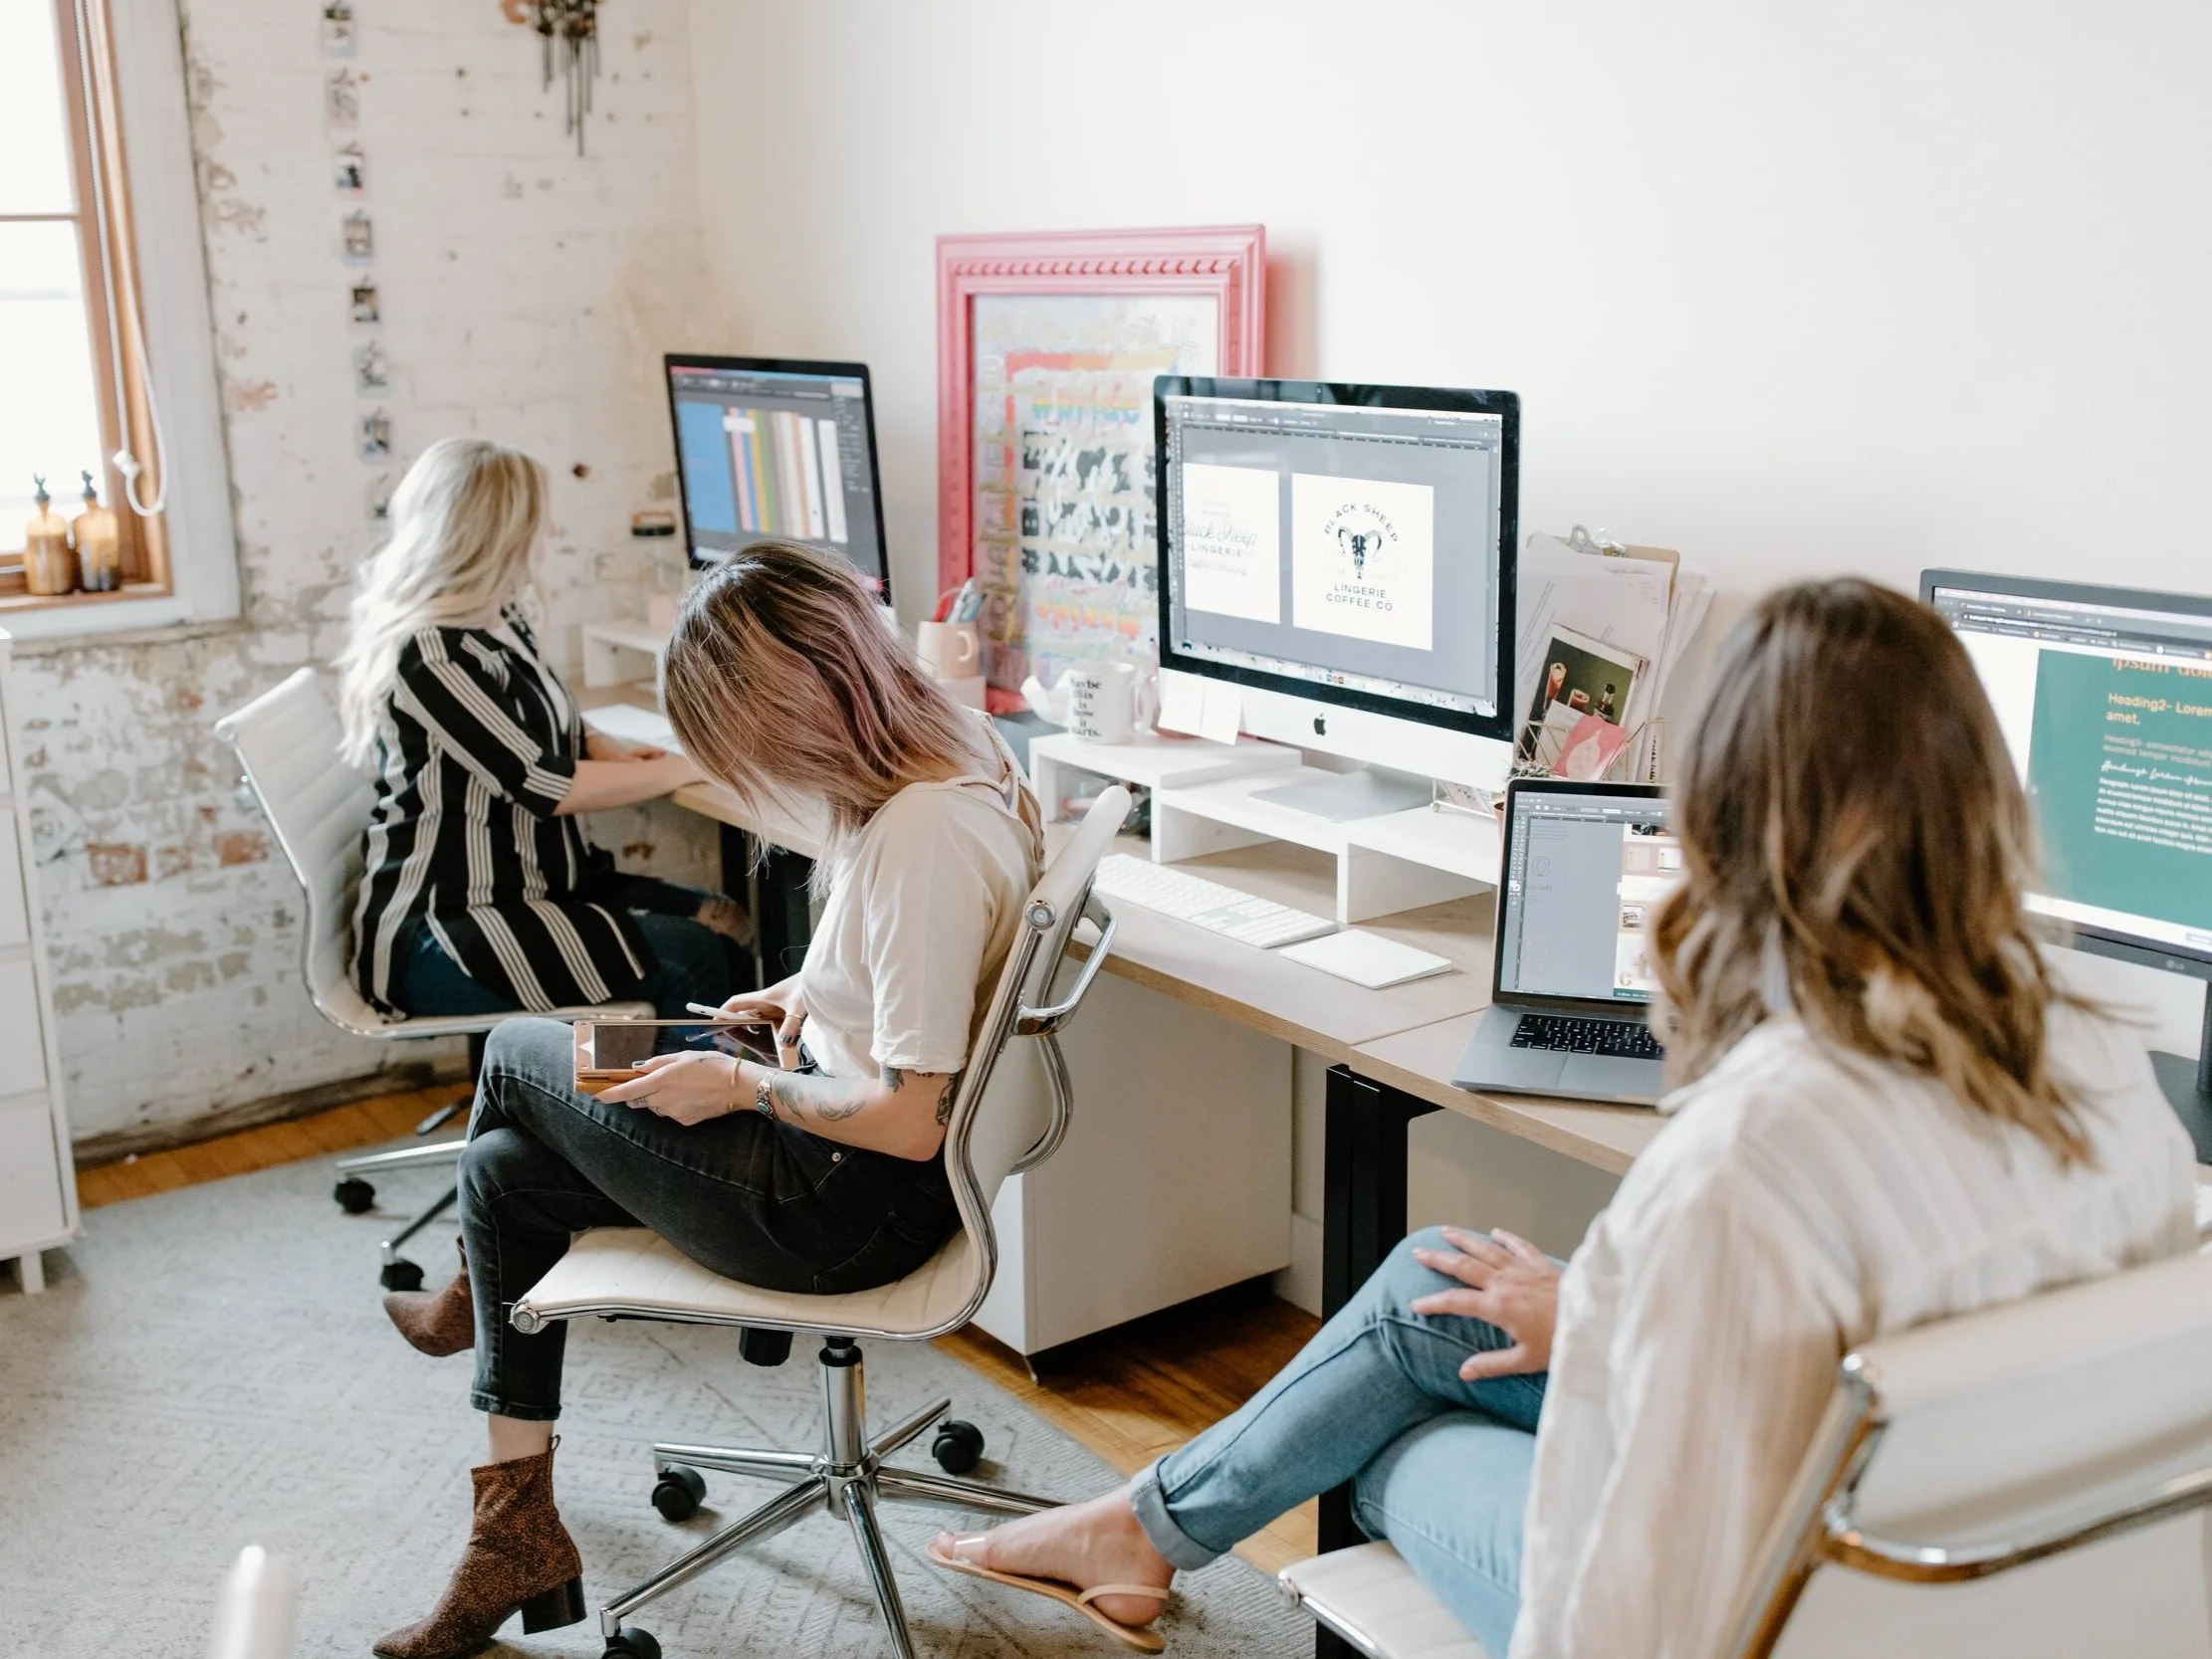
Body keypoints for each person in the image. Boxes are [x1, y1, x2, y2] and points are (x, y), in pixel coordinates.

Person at [929, 579, 2198, 1658]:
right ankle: (1139, 1527)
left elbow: (1631, 1614)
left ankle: (1152, 1522)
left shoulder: (1748, 1156)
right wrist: (1600, 1311)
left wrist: (1605, 1337)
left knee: (1382, 1437)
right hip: (1967, 1561)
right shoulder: (2097, 1062)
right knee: (1433, 1280)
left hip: (1766, 1606)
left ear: (1720, 818)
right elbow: (1863, 1343)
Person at [370, 538, 1044, 1659]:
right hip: (825, 1125)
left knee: (517, 1052)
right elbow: (914, 974)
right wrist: (803, 995)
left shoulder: (921, 835)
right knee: (500, 1174)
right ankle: (514, 1529)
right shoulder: (956, 744)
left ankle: (470, 1313)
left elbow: (911, 1117)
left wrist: (737, 1081)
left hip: (839, 1202)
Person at [337, 436, 750, 1024]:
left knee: (727, 920)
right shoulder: (433, 653)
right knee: (692, 957)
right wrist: (697, 763)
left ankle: (697, 1078)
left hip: (531, 889)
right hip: (447, 926)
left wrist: (603, 746)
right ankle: (653, 1086)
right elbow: (546, 785)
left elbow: (540, 716)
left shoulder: (500, 617)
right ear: (499, 533)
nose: (552, 532)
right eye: (540, 518)